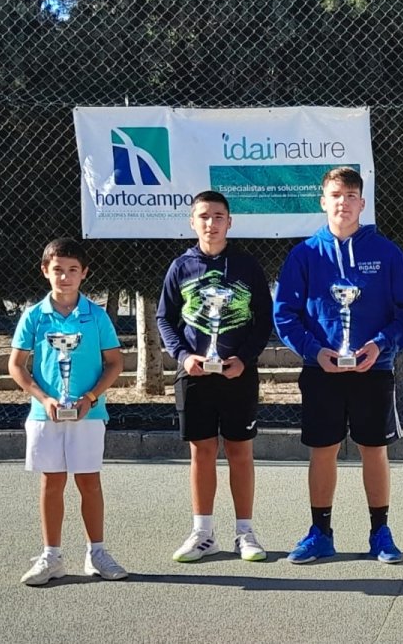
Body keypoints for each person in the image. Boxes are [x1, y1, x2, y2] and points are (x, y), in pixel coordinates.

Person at [274, 166, 403, 564]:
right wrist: (313, 350)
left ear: (362, 203)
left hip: (372, 370)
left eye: (351, 195)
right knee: (323, 449)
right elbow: (285, 313)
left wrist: (380, 345)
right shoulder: (304, 254)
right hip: (321, 369)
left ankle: (381, 532)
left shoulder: (387, 254)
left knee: (373, 449)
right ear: (323, 201)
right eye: (336, 195)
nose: (343, 202)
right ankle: (320, 531)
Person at [156, 191, 274, 562]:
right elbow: (165, 318)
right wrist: (182, 355)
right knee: (202, 451)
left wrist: (245, 358)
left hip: (238, 374)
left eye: (218, 216)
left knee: (240, 451)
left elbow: (263, 320)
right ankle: (203, 532)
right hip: (194, 375)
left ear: (229, 222)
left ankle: (245, 532)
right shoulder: (180, 267)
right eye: (204, 216)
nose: (211, 223)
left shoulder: (247, 266)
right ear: (193, 222)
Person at [9, 238, 127, 585]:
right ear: (45, 271)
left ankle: (97, 552)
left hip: (88, 415)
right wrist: (44, 399)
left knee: (89, 482)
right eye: (57, 270)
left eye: (73, 270)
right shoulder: (33, 315)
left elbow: (115, 362)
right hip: (44, 415)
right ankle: (51, 556)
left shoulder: (97, 315)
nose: (65, 277)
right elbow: (16, 365)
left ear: (84, 273)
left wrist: (90, 397)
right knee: (52, 483)